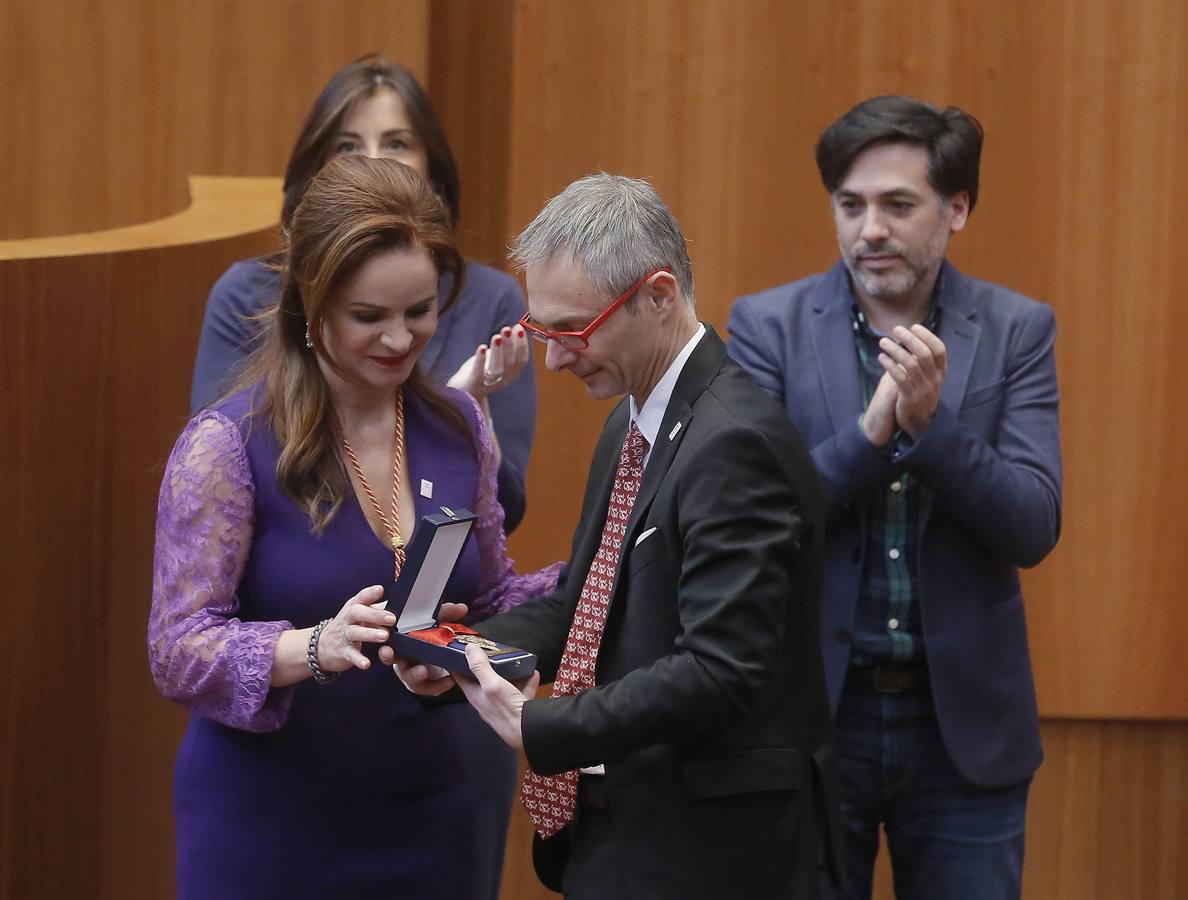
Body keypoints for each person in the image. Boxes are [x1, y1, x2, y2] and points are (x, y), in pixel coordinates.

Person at [389, 173, 842, 899]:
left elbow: (721, 670)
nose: (555, 359)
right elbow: (584, 602)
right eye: (543, 332)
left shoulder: (736, 442)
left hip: (712, 852)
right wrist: (464, 658)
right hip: (628, 831)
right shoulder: (631, 421)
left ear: (658, 295)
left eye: (571, 331)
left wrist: (545, 725)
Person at [148, 156, 558, 900]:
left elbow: (495, 592)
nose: (402, 340)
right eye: (370, 316)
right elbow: (177, 650)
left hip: (430, 814)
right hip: (265, 827)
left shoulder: (460, 423)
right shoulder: (226, 445)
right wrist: (315, 647)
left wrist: (604, 567)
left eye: (421, 311)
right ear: (312, 303)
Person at [727, 96, 1062, 899]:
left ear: (957, 208)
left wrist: (930, 429)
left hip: (963, 734)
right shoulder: (765, 327)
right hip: (810, 718)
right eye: (851, 205)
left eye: (897, 205)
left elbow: (1032, 522)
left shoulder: (1019, 329)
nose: (869, 229)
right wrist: (874, 437)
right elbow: (753, 519)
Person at [190, 53, 535, 532]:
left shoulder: (494, 299)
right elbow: (216, 480)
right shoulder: (245, 293)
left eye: (396, 143)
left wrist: (470, 409)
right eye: (349, 146)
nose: (373, 160)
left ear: (432, 172)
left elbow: (506, 513)